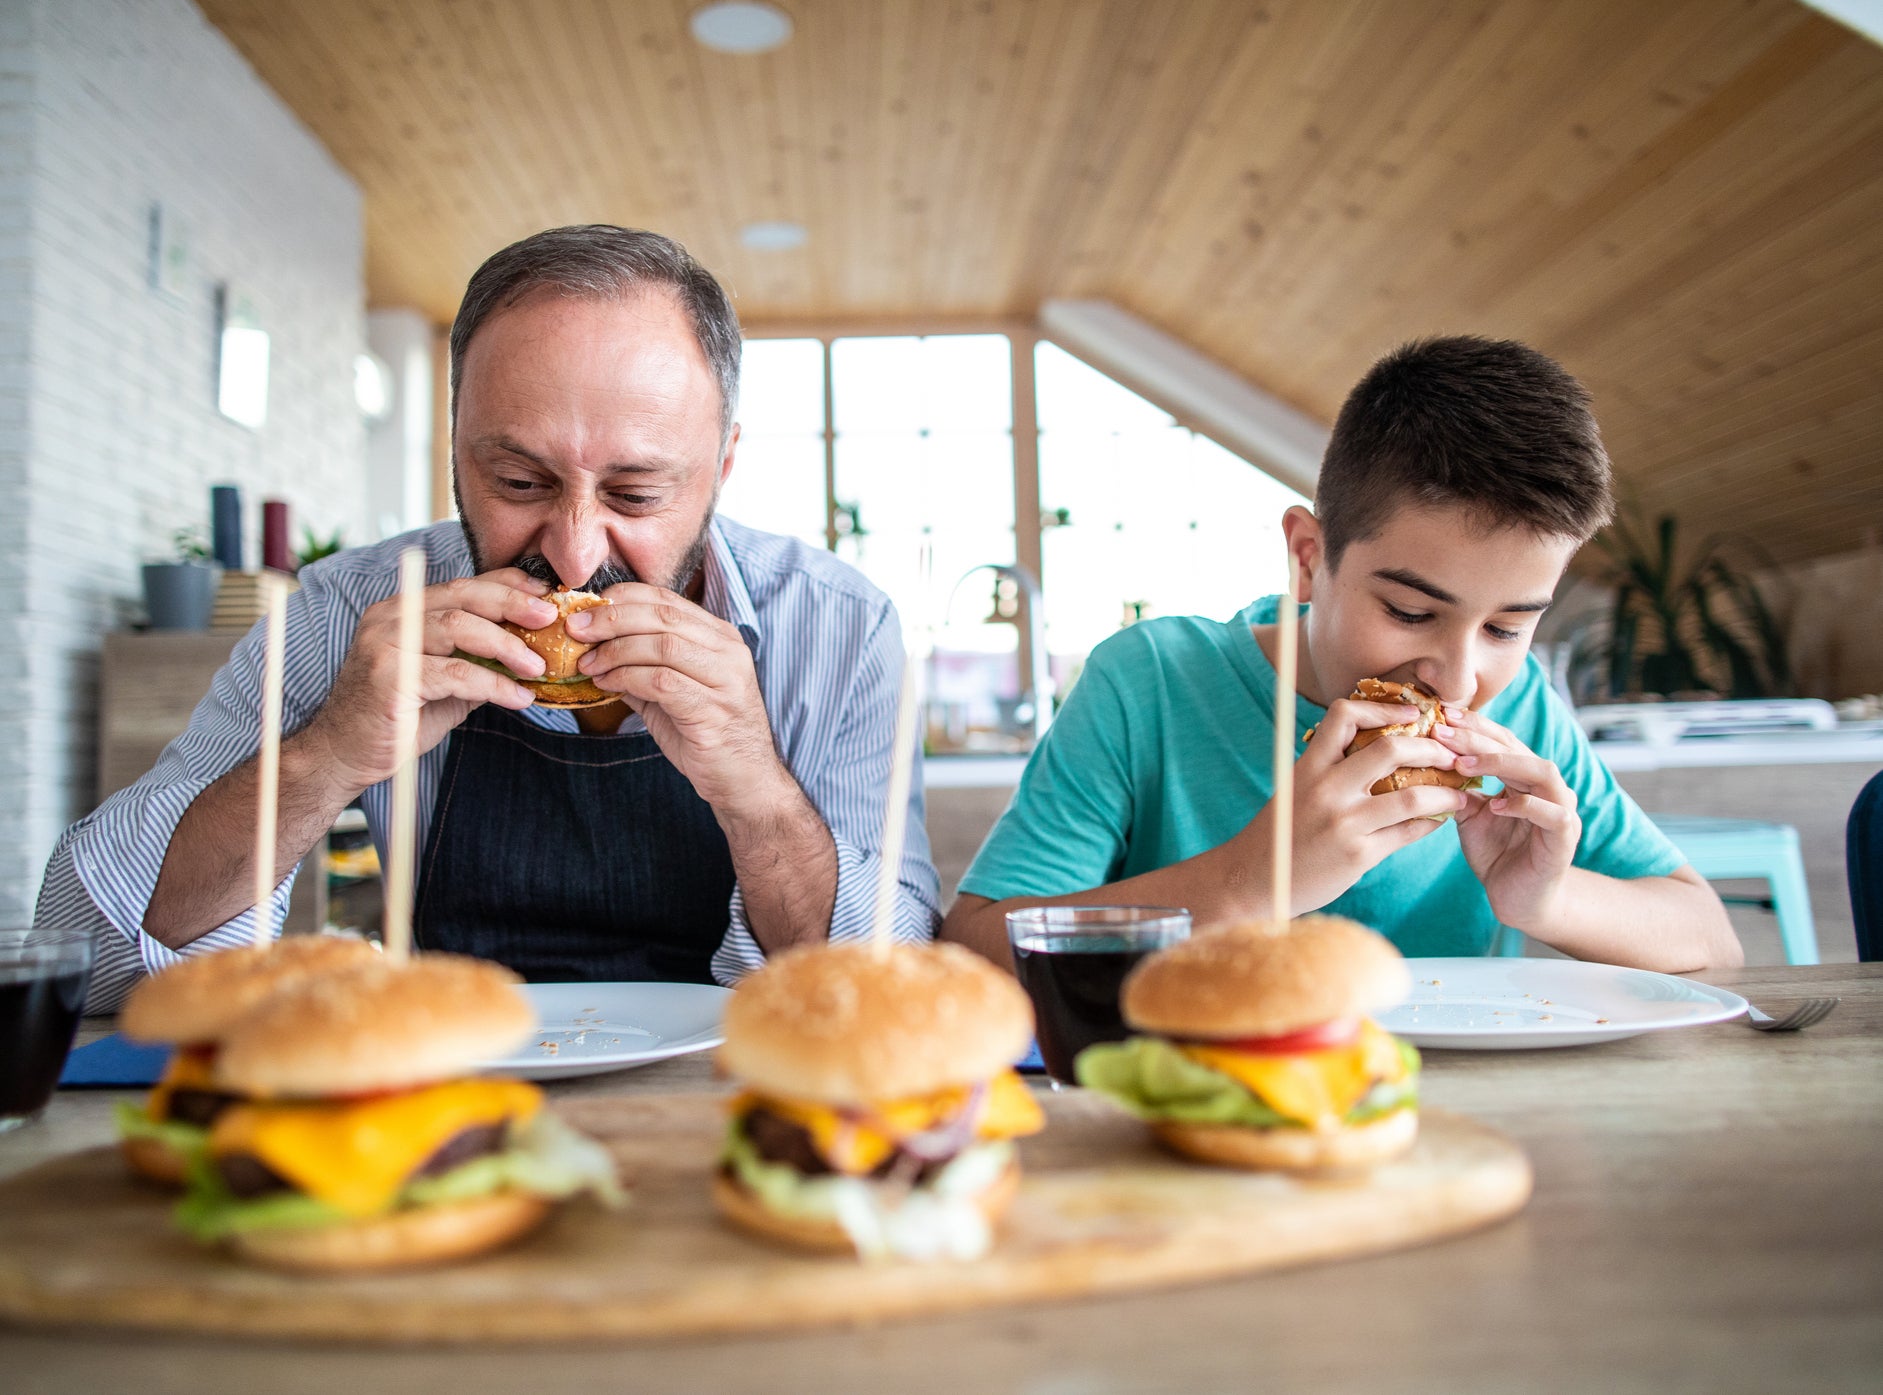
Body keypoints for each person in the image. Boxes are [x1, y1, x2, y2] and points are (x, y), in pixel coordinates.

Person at [41, 225, 940, 1011]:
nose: (578, 551)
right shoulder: (348, 611)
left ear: (723, 462)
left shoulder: (838, 629)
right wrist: (329, 752)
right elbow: (86, 954)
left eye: (635, 491)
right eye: (519, 483)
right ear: (455, 445)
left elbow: (895, 990)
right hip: (442, 1087)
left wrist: (754, 786)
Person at [943, 336, 1742, 974]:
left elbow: (1710, 935)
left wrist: (1547, 900)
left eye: (1506, 627)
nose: (1458, 678)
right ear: (1306, 556)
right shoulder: (1148, 682)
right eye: (1408, 610)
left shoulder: (1522, 706)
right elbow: (970, 951)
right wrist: (1245, 882)